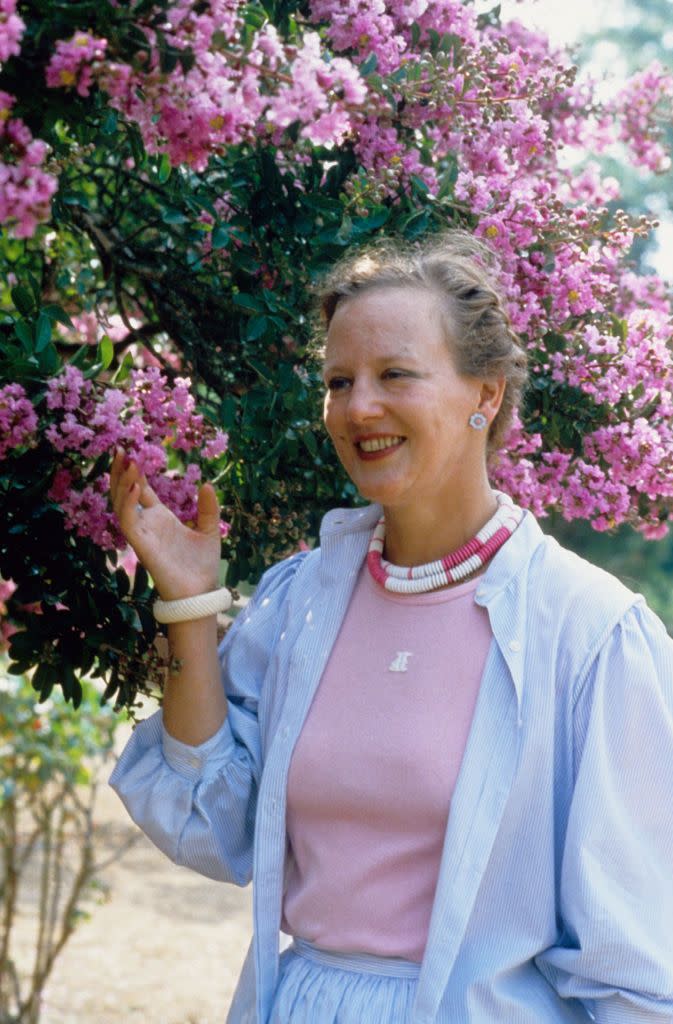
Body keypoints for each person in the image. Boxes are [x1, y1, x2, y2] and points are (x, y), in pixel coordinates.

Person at [109, 232, 673, 1024]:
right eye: (339, 381)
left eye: (394, 374)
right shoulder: (303, 596)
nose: (358, 407)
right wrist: (190, 605)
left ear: (484, 393)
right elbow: (214, 822)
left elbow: (631, 965)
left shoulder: (588, 633)